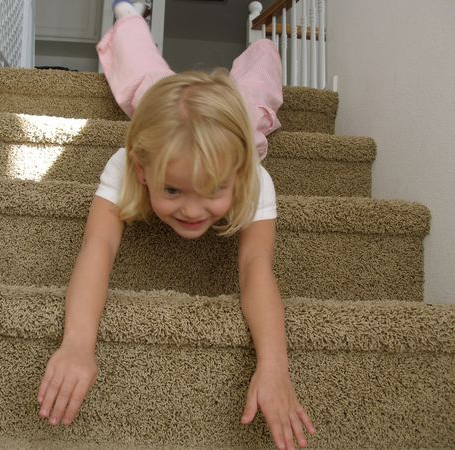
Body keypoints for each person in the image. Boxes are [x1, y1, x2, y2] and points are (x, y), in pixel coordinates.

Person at [38, 2, 316, 449]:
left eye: (214, 191)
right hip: (161, 113)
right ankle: (130, 16)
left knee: (257, 90)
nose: (192, 210)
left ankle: (262, 45)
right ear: (143, 171)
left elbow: (255, 266)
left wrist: (274, 365)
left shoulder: (254, 179)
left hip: (242, 115)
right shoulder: (128, 164)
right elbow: (99, 244)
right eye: (172, 190)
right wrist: (77, 343)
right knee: (145, 83)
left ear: (238, 175)